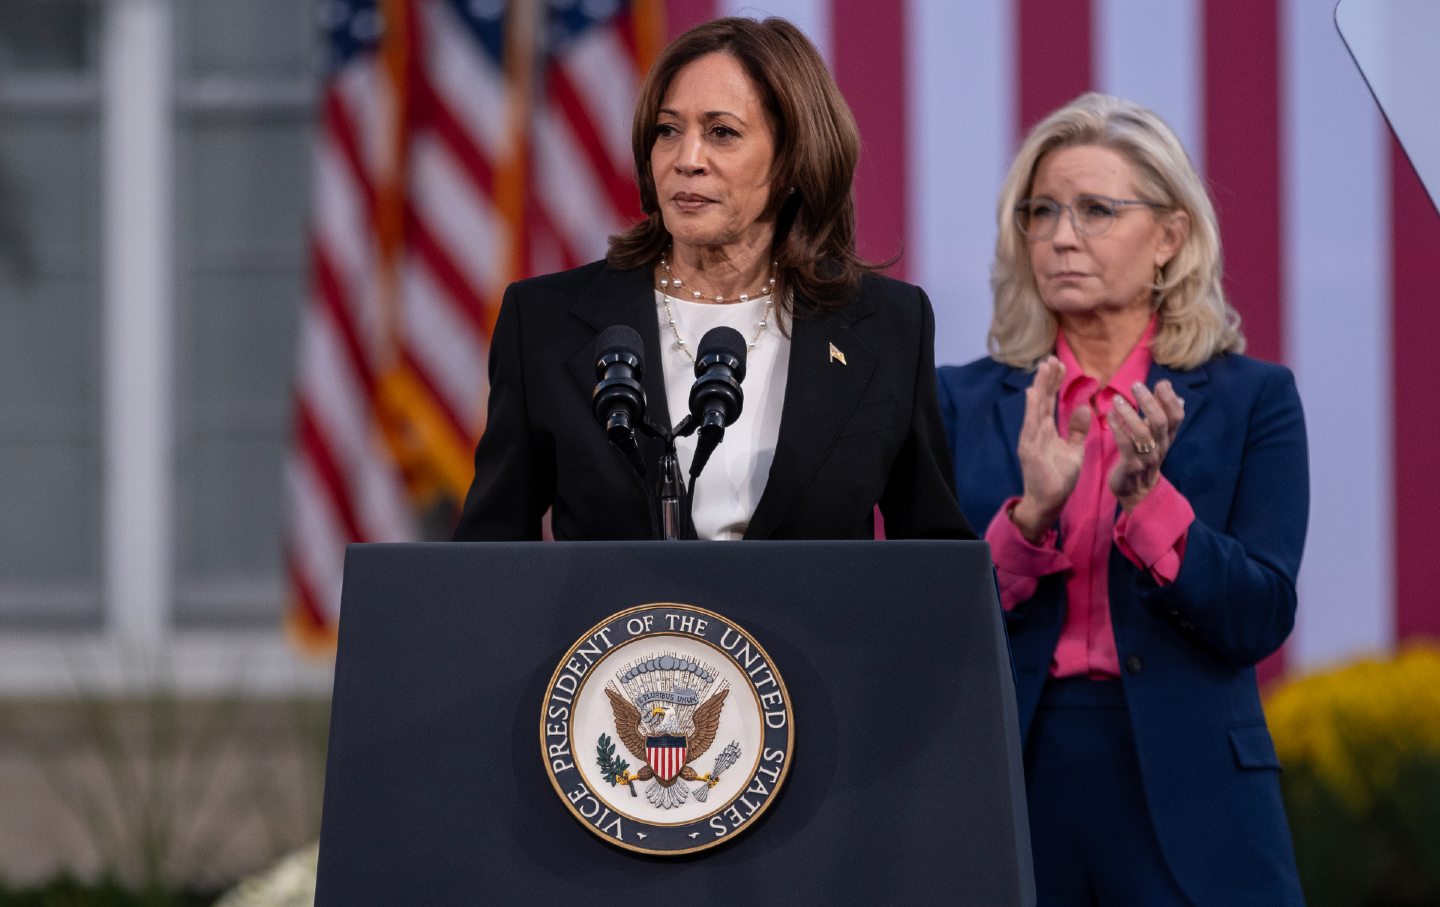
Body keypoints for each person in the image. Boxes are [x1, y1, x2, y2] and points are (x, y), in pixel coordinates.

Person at [937, 92, 1307, 905]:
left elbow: (1260, 615)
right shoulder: (955, 403)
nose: (1062, 236)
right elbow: (928, 634)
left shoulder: (1255, 399)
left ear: (1170, 238)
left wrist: (1152, 510)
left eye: (1096, 210)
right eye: (1042, 212)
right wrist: (1029, 516)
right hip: (1016, 780)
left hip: (1197, 793)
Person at [453, 17, 972, 543]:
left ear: (795, 158)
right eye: (667, 131)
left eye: (721, 133)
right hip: (621, 626)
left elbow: (934, 560)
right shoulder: (543, 322)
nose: (686, 160)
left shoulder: (886, 326)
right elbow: (488, 559)